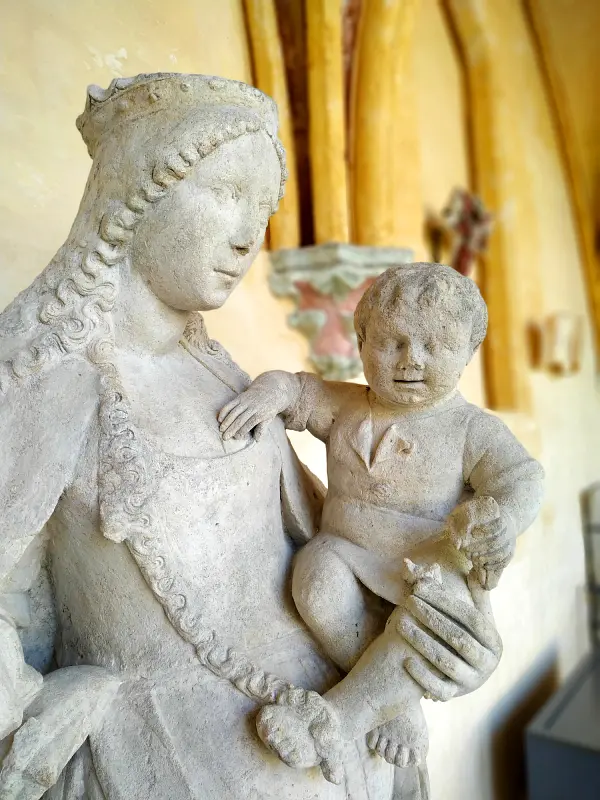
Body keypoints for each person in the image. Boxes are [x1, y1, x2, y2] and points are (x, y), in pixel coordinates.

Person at [0, 75, 503, 800]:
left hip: (347, 741)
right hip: (172, 759)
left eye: (261, 210)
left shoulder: (227, 374)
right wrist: (52, 699)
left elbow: (341, 543)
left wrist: (440, 641)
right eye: (226, 193)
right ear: (137, 193)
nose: (247, 236)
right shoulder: (48, 377)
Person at [219, 264, 544, 780]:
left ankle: (340, 719)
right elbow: (301, 392)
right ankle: (396, 701)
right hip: (347, 550)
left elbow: (523, 477)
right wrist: (273, 391)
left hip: (429, 562)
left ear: (468, 352)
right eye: (391, 342)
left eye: (435, 346)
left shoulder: (467, 429)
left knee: (435, 617)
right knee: (314, 576)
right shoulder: (348, 404)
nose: (412, 359)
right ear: (361, 340)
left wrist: (502, 520)